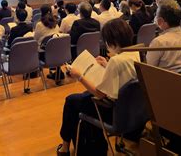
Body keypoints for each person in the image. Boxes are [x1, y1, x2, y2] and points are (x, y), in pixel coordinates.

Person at [56, 19, 141, 155]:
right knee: (81, 97)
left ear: (112, 41)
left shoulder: (116, 60)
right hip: (133, 110)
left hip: (113, 112)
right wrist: (107, 66)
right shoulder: (138, 52)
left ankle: (65, 147)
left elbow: (100, 94)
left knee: (71, 101)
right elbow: (128, 77)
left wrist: (79, 76)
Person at [147, 0, 181, 71]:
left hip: (165, 80)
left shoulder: (158, 42)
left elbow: (148, 69)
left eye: (156, 15)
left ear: (160, 21)